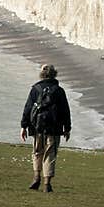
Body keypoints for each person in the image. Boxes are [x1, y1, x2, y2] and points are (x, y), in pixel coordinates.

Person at [20, 64, 71, 192]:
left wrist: (23, 126)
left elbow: (28, 108)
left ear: (42, 74)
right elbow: (65, 111)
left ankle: (36, 178)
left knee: (37, 152)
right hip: (54, 128)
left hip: (37, 127)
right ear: (54, 74)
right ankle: (47, 184)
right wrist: (67, 128)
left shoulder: (36, 89)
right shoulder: (59, 91)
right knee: (50, 154)